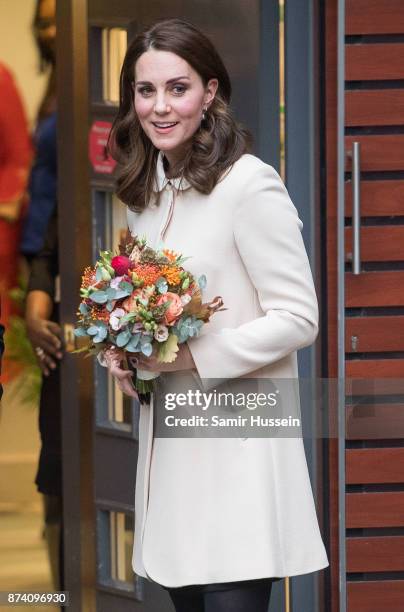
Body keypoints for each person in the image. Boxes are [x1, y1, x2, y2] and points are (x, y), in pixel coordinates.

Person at [105, 18, 329, 612]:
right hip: (172, 450)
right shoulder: (145, 193)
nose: (159, 106)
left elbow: (299, 317)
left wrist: (191, 356)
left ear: (209, 94)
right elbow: (147, 315)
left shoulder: (249, 185)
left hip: (239, 447)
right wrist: (123, 352)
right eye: (145, 90)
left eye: (177, 89)